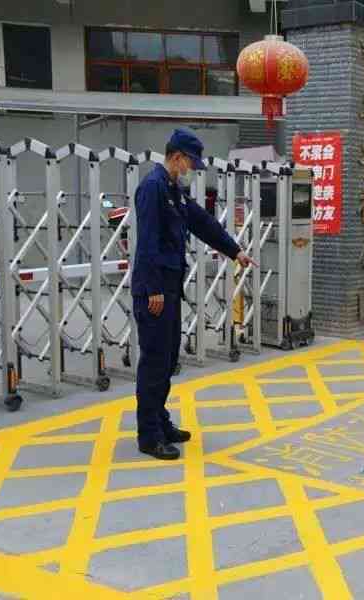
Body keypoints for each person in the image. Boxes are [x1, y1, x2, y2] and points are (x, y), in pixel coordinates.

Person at [132, 129, 252, 460]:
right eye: (190, 162)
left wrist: (234, 251)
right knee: (155, 361)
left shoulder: (173, 190)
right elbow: (147, 242)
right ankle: (149, 435)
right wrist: (153, 288)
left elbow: (203, 223)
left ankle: (161, 421)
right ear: (177, 157)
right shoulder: (153, 188)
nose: (192, 169)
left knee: (168, 357)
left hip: (169, 287)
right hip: (154, 289)